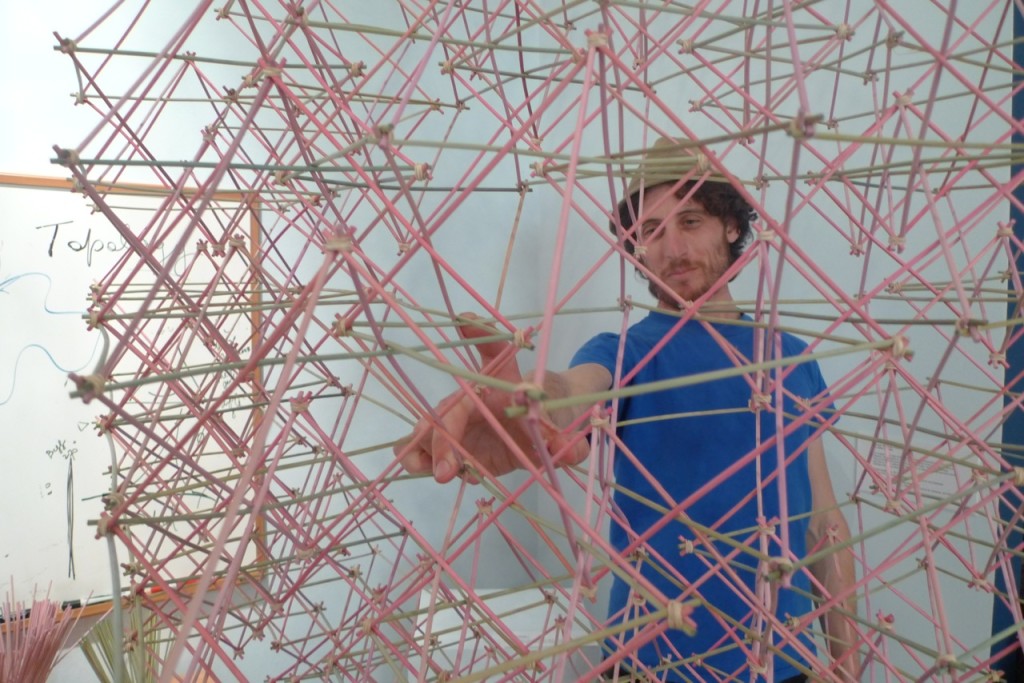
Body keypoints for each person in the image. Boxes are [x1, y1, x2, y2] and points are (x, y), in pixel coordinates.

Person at [394, 137, 860, 682]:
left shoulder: (792, 358)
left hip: (787, 668)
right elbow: (573, 391)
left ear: (731, 227)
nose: (672, 249)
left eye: (690, 222)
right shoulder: (625, 353)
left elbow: (823, 524)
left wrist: (846, 664)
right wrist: (531, 410)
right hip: (652, 667)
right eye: (651, 232)